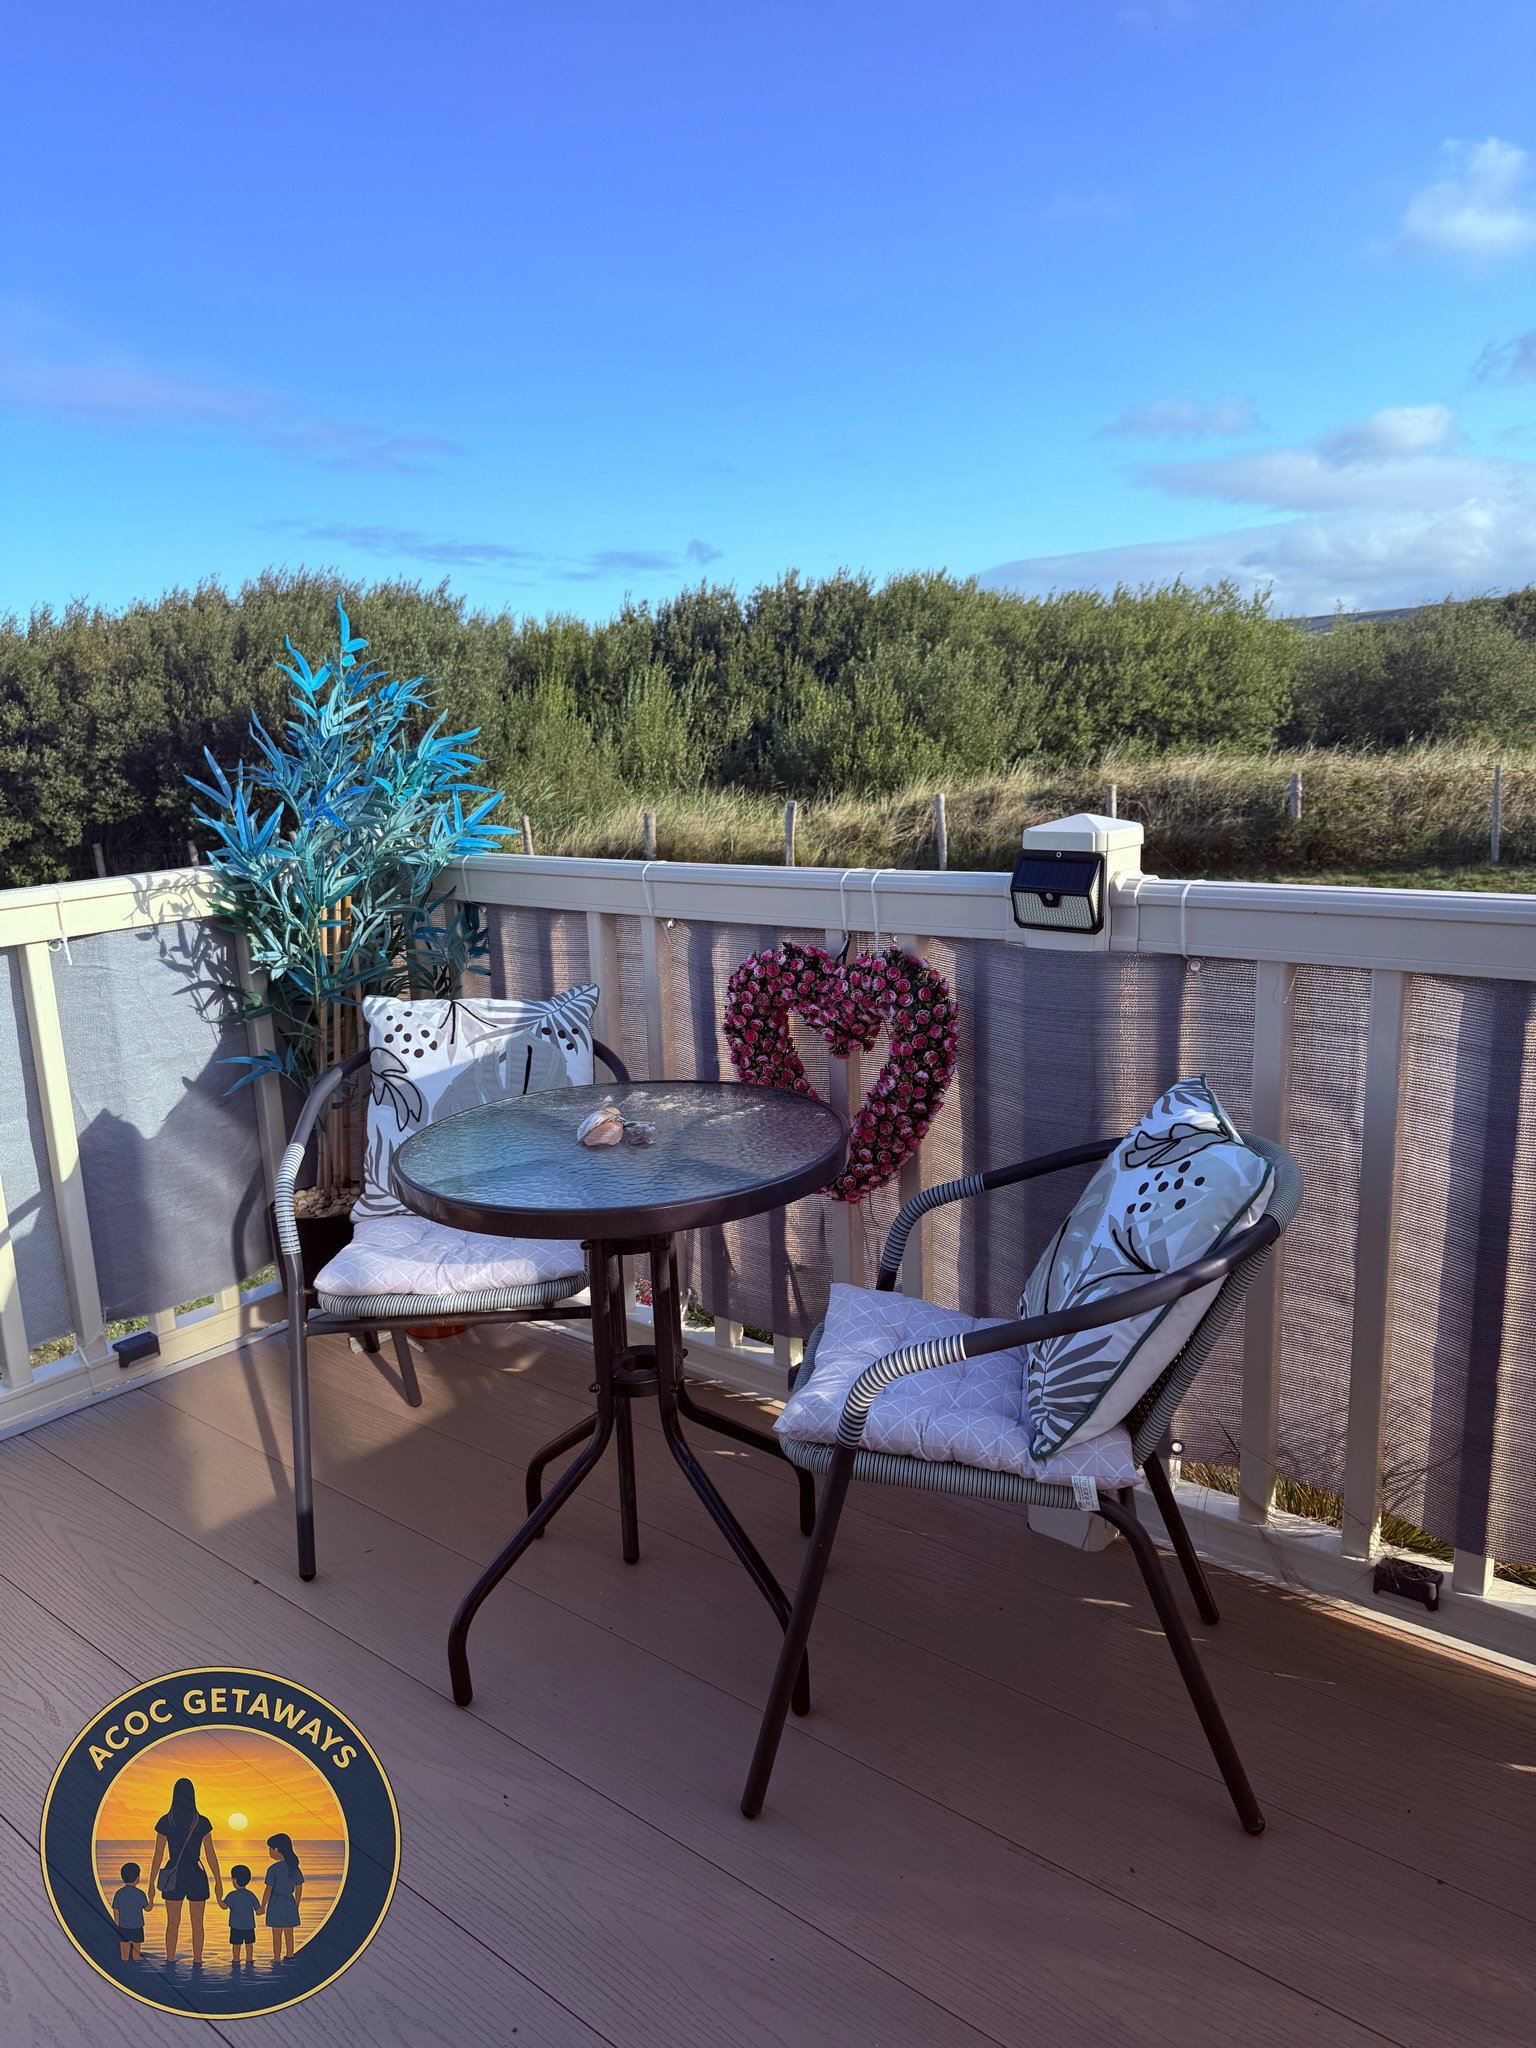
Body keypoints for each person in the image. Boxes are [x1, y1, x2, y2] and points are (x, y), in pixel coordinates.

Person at [146, 1777, 222, 1967]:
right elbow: (211, 1855)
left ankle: (170, 1961)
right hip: (196, 1874)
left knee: (172, 1924)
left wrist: (151, 1886)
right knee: (198, 1924)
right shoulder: (201, 1822)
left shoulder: (166, 1821)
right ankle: (198, 1962)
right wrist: (219, 1882)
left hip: (174, 1875)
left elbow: (158, 1856)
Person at [260, 1833, 303, 1963]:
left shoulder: (273, 1869)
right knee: (289, 1932)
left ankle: (277, 1957)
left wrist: (263, 1906)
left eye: (270, 1849)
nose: (269, 1852)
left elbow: (268, 1889)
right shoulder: (293, 1867)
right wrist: (296, 1903)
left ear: (277, 1850)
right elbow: (299, 1887)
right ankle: (290, 1954)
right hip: (289, 1902)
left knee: (277, 1933)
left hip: (276, 1902)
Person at [111, 1861, 152, 1961]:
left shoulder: (119, 1893)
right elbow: (148, 1908)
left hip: (124, 1927)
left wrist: (118, 1924)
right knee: (136, 1952)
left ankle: (125, 1960)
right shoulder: (140, 1894)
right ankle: (137, 1957)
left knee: (124, 1955)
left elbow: (116, 1911)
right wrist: (151, 1898)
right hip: (137, 1926)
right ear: (137, 1877)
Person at [222, 1864, 259, 1964]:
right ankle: (249, 1959)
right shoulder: (251, 1895)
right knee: (249, 1945)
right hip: (249, 1926)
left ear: (234, 1880)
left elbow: (224, 1906)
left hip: (236, 1926)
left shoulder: (232, 1895)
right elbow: (258, 1910)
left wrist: (218, 1898)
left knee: (236, 1945)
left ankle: (236, 1960)